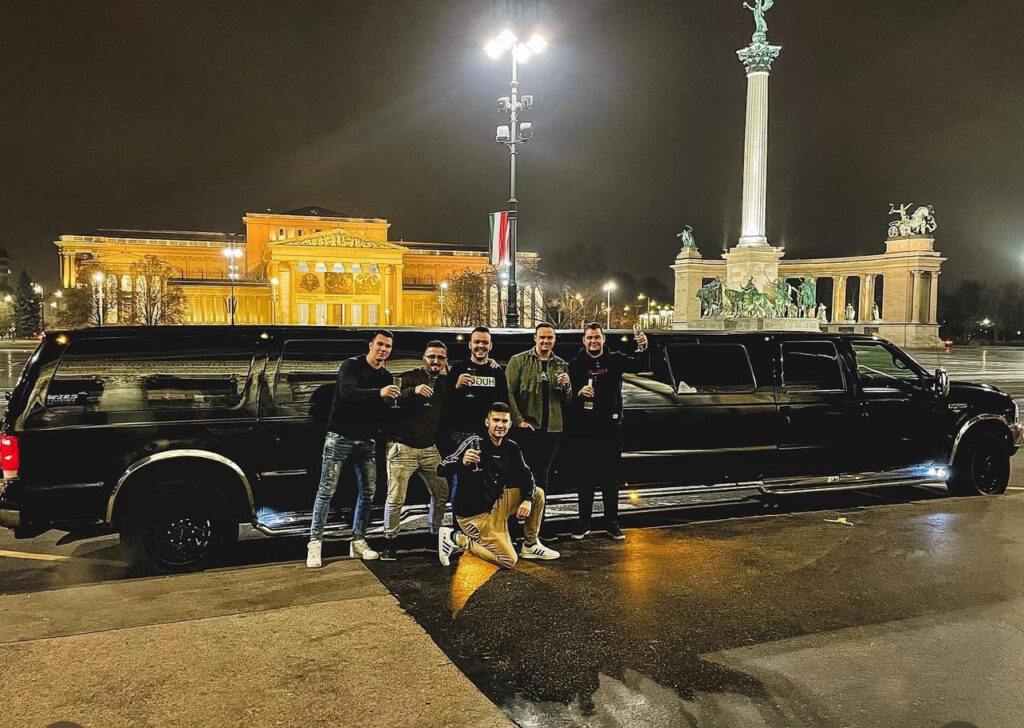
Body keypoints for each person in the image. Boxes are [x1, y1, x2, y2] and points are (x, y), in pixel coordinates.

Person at [307, 330, 400, 568]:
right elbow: (347, 393)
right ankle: (315, 543)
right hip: (340, 437)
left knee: (368, 492)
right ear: (371, 344)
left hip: (367, 441)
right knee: (326, 491)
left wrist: (394, 404)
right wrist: (379, 394)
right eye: (380, 344)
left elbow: (382, 411)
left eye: (388, 346)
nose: (383, 349)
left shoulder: (387, 376)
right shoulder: (351, 366)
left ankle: (358, 540)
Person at [437, 402, 559, 568]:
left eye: (504, 421)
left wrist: (527, 500)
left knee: (537, 493)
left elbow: (527, 476)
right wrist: (462, 462)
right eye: (496, 420)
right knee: (508, 560)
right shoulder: (474, 442)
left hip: (497, 502)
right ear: (487, 422)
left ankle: (530, 545)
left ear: (509, 424)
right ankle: (456, 538)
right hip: (475, 514)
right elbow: (441, 468)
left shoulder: (511, 447)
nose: (500, 425)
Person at [567, 322, 649, 541]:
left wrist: (642, 348)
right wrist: (577, 392)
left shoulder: (615, 359)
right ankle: (584, 523)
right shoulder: (575, 365)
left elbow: (640, 365)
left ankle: (611, 523)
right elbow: (564, 394)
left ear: (603, 339)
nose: (593, 341)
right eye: (589, 338)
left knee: (610, 479)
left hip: (611, 429)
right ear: (583, 341)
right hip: (584, 430)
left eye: (597, 337)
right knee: (585, 479)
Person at [380, 340, 451, 561]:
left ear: (445, 361)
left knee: (442, 493)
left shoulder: (445, 383)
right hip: (402, 447)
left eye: (440, 357)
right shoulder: (410, 376)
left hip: (429, 448)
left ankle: (434, 537)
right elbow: (389, 398)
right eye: (432, 357)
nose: (436, 361)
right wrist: (413, 391)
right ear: (424, 358)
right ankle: (390, 544)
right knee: (395, 498)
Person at [506, 322, 572, 497]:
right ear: (535, 338)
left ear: (555, 339)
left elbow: (567, 400)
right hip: (527, 429)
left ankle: (537, 521)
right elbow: (508, 392)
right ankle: (516, 520)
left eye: (549, 337)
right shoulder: (518, 360)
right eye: (542, 337)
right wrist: (518, 420)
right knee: (521, 472)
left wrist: (567, 386)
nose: (545, 341)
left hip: (552, 431)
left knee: (542, 474)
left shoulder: (561, 364)